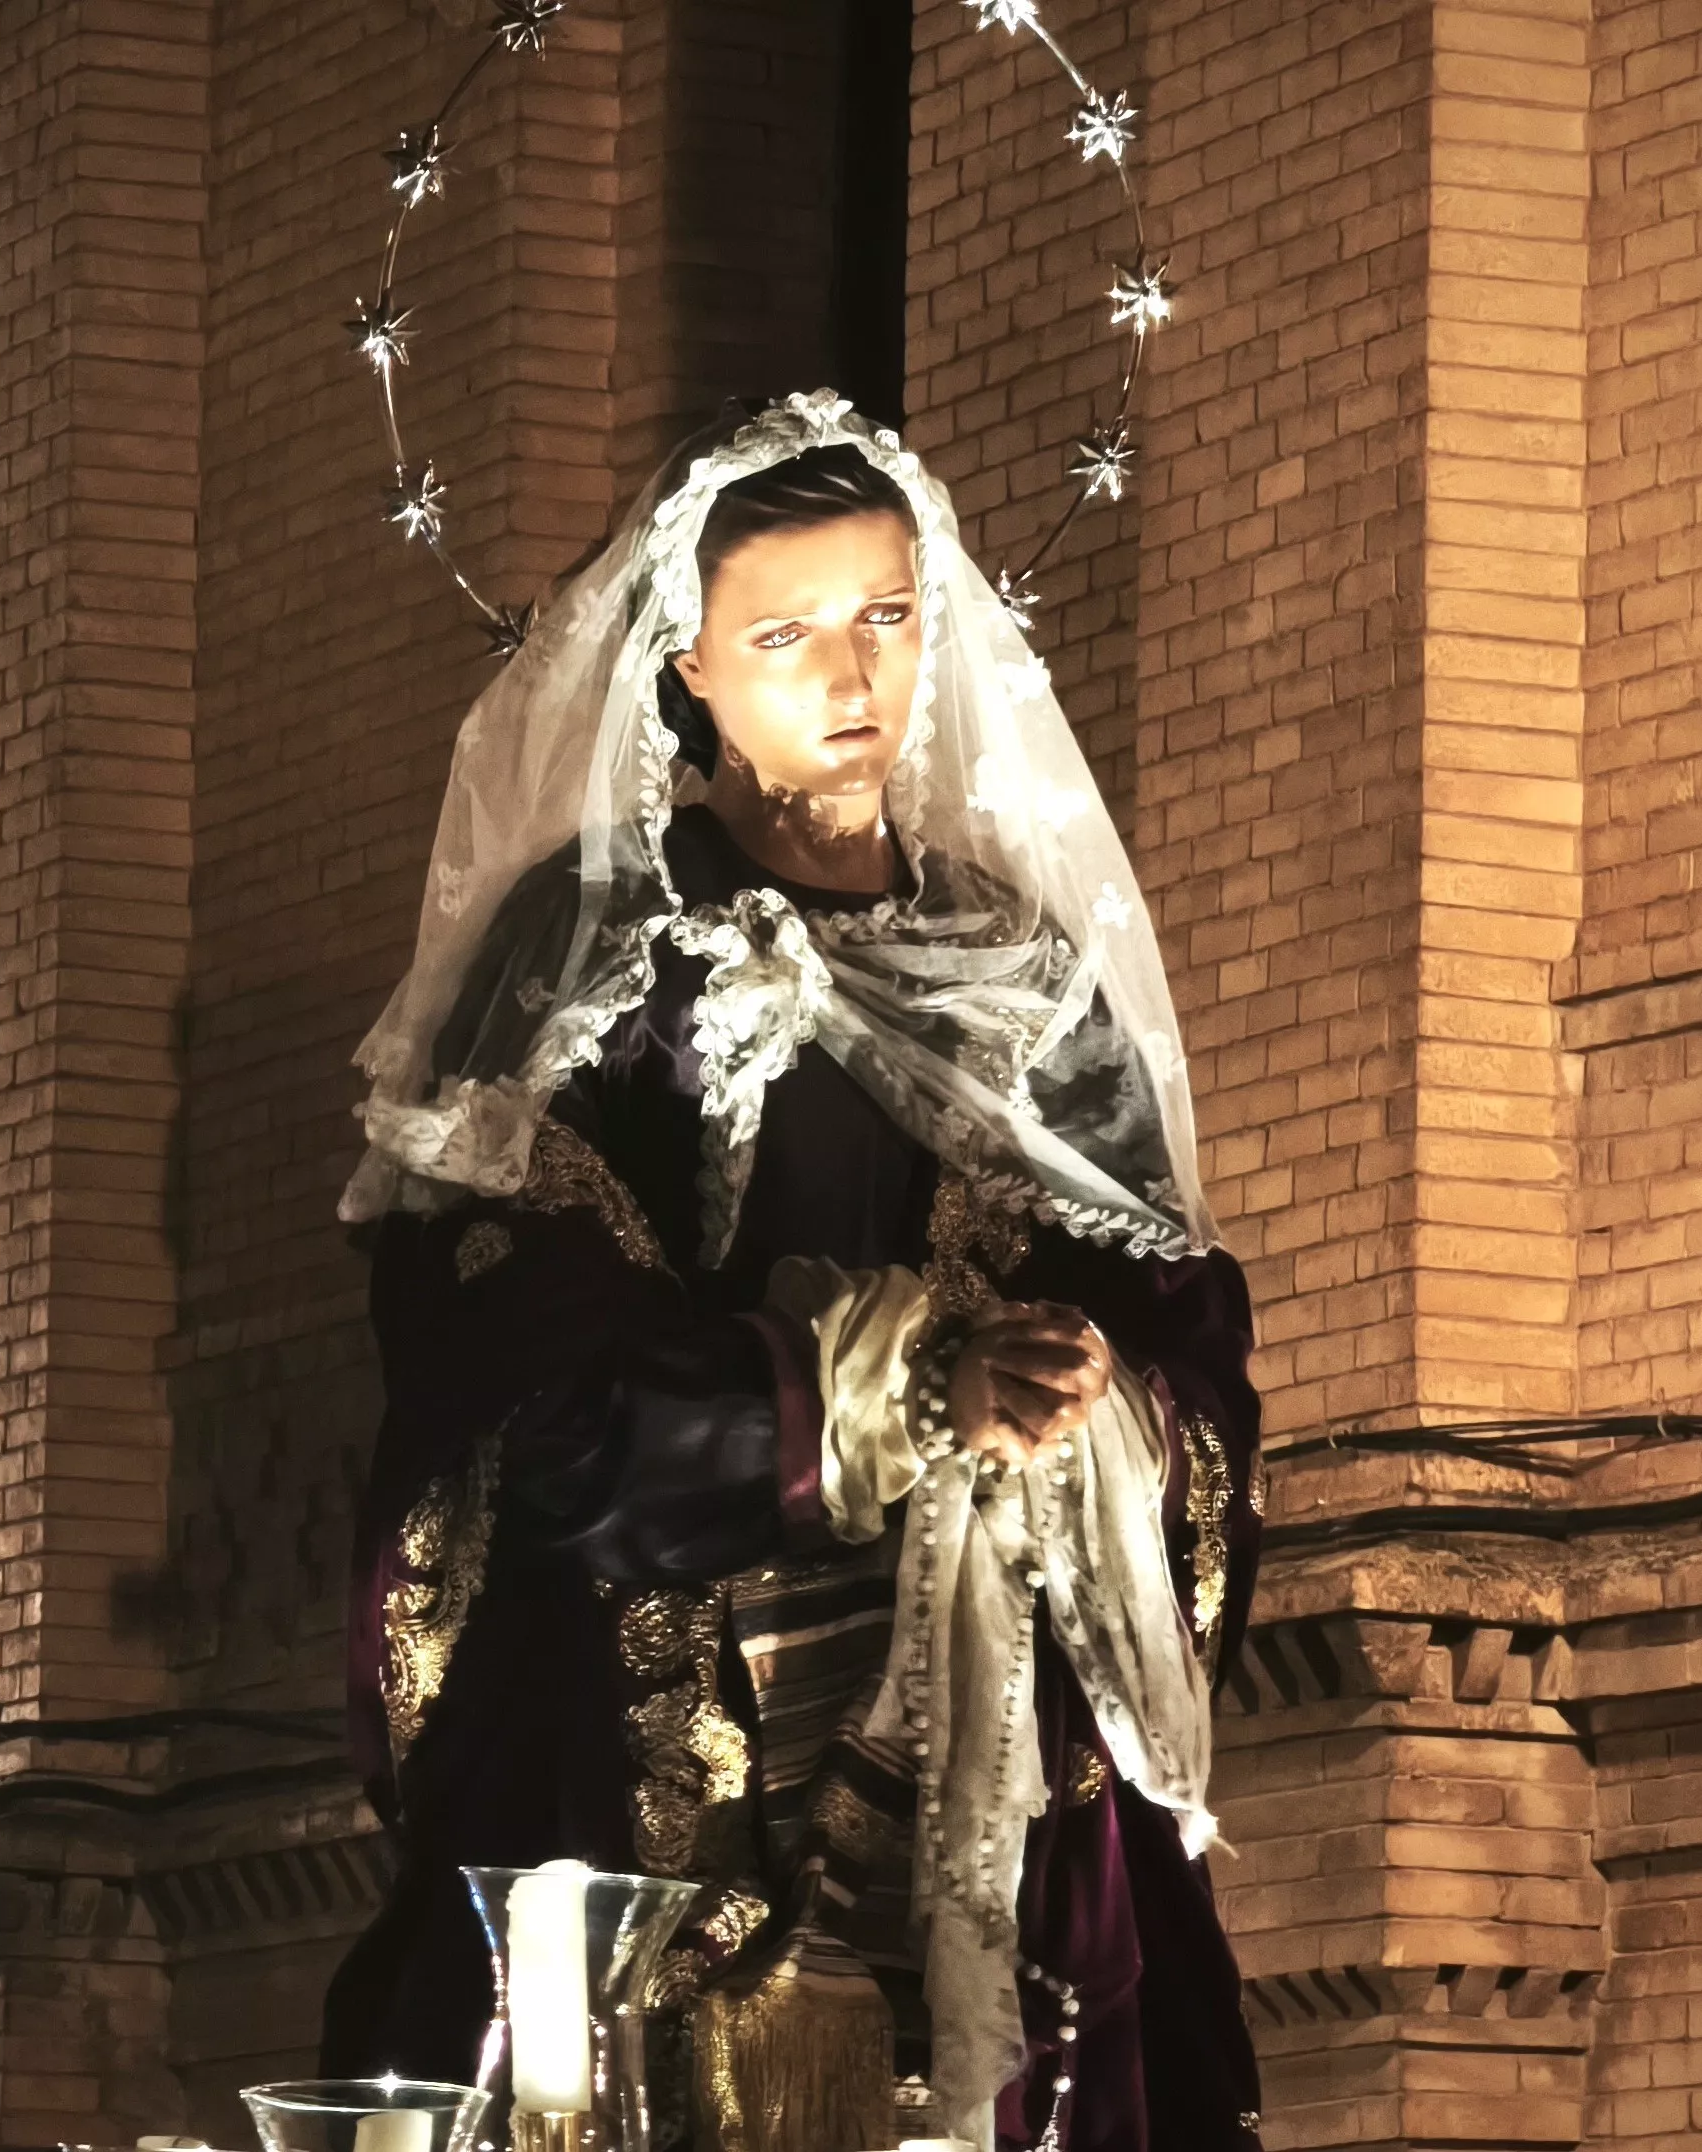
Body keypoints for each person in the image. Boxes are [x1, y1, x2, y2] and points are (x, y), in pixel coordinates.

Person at [317, 393, 1264, 2152]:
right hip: (671, 1689)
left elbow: (1175, 1318)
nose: (853, 672)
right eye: (786, 633)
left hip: (988, 1681)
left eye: (886, 616)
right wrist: (880, 1386)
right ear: (683, 665)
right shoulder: (593, 948)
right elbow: (496, 1341)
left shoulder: (1015, 967)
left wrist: (1092, 1398)